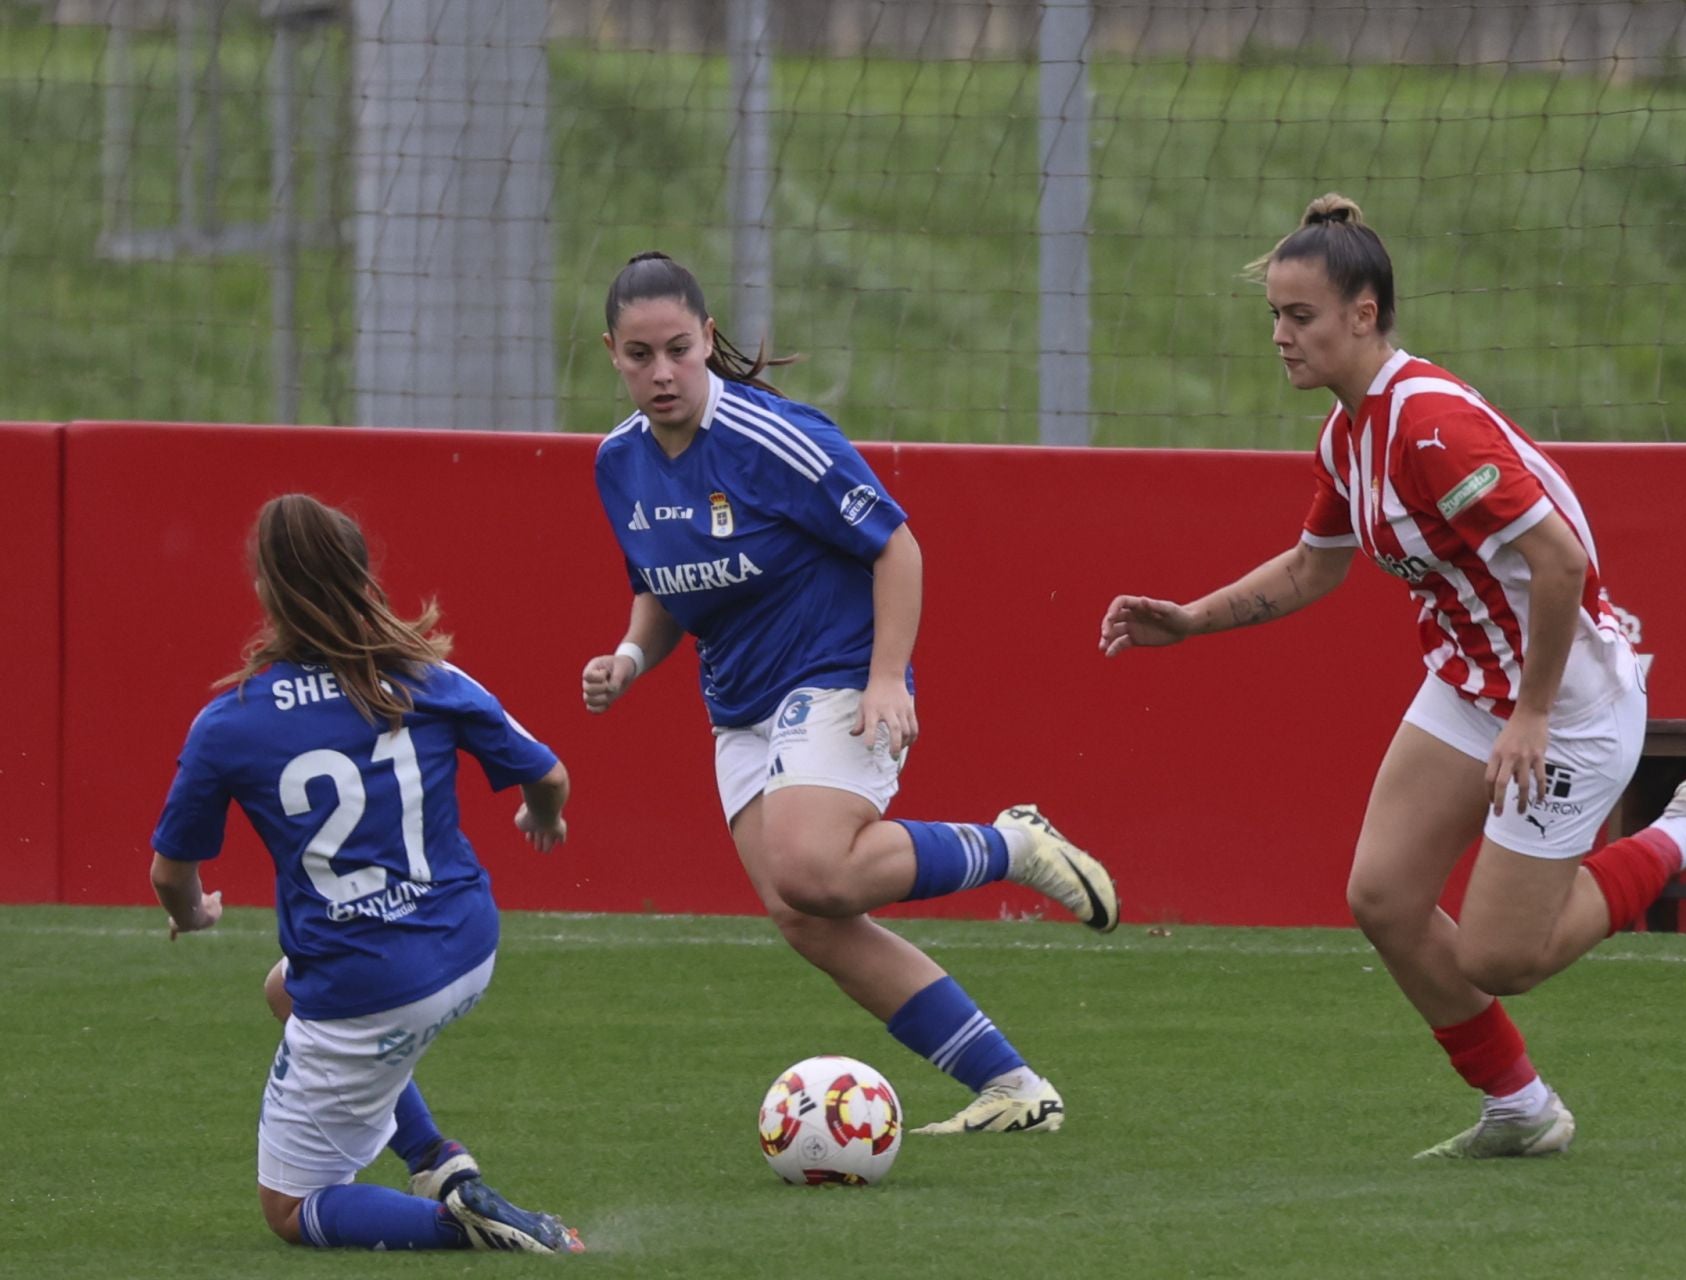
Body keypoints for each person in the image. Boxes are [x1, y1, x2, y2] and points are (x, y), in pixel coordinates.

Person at [1098, 195, 1686, 1159]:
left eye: (1299, 317)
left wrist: (1533, 712)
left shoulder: (1427, 425)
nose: (1279, 337)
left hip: (1568, 705)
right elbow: (1314, 565)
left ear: (1365, 314)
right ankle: (1520, 1109)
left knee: (1502, 957)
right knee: (1382, 897)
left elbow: (1557, 563)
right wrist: (1190, 619)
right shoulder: (1347, 437)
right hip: (1472, 688)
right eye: (1274, 316)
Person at [584, 251, 1120, 1135]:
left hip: (832, 669)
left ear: (707, 338)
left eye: (679, 348)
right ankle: (1015, 1089)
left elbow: (896, 547)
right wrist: (630, 659)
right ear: (613, 353)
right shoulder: (617, 464)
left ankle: (1012, 846)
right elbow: (664, 586)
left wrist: (884, 679)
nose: (663, 372)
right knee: (808, 918)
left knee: (811, 867)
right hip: (740, 706)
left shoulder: (772, 437)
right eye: (640, 356)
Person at [151, 493, 586, 1251]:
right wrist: (542, 818)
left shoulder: (230, 721)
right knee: (283, 989)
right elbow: (548, 773)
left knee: (292, 1208)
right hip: (467, 946)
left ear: (268, 591)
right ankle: (437, 1160)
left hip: (367, 992)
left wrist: (193, 915)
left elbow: (170, 873)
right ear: (362, 579)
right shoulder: (427, 677)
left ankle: (467, 1231)